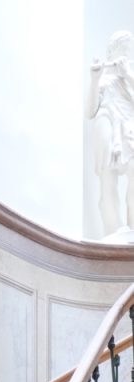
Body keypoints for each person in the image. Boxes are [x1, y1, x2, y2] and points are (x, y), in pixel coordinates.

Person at [87, 30, 134, 236]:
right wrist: (94, 80)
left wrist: (128, 75)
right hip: (106, 120)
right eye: (123, 49)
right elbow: (89, 112)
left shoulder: (130, 76)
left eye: (129, 50)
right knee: (108, 176)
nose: (126, 54)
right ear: (111, 52)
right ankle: (113, 229)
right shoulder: (103, 77)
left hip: (128, 125)